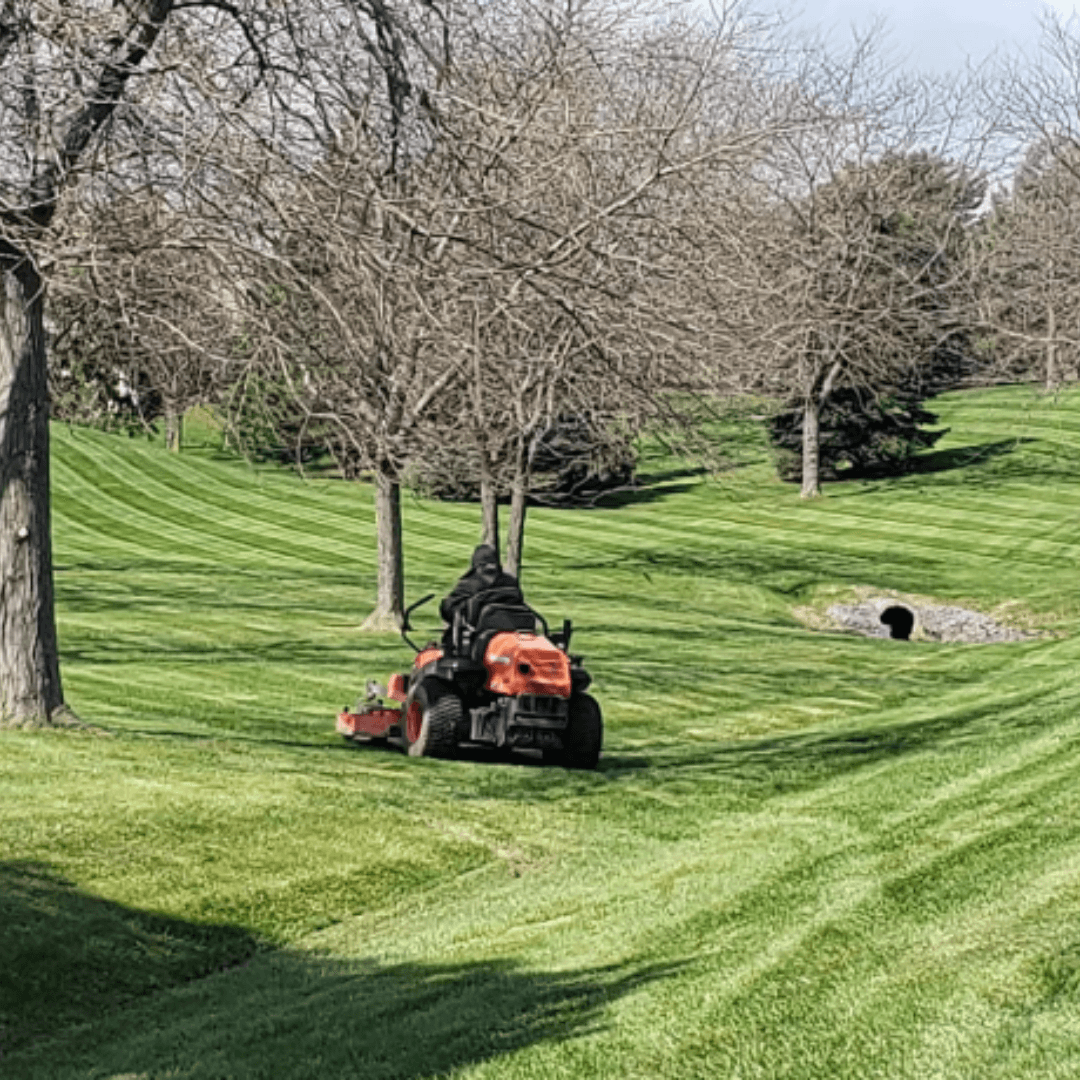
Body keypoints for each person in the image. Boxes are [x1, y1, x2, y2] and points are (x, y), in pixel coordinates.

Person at [440, 544, 524, 646]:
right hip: (511, 640)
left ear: (477, 565)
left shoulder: (470, 583)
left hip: (477, 643)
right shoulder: (511, 584)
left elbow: (450, 609)